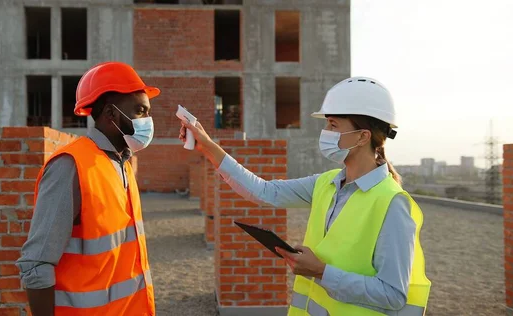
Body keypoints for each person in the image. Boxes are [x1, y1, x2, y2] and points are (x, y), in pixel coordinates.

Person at [179, 77, 431, 316]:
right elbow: (265, 191)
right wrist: (208, 146)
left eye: (333, 124)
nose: (325, 131)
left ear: (363, 136)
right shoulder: (327, 183)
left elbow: (393, 294)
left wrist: (321, 272)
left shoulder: (393, 203)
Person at [16, 61, 160, 316]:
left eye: (147, 112)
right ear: (110, 114)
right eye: (139, 111)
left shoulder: (122, 162)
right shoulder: (71, 166)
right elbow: (35, 265)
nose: (147, 121)